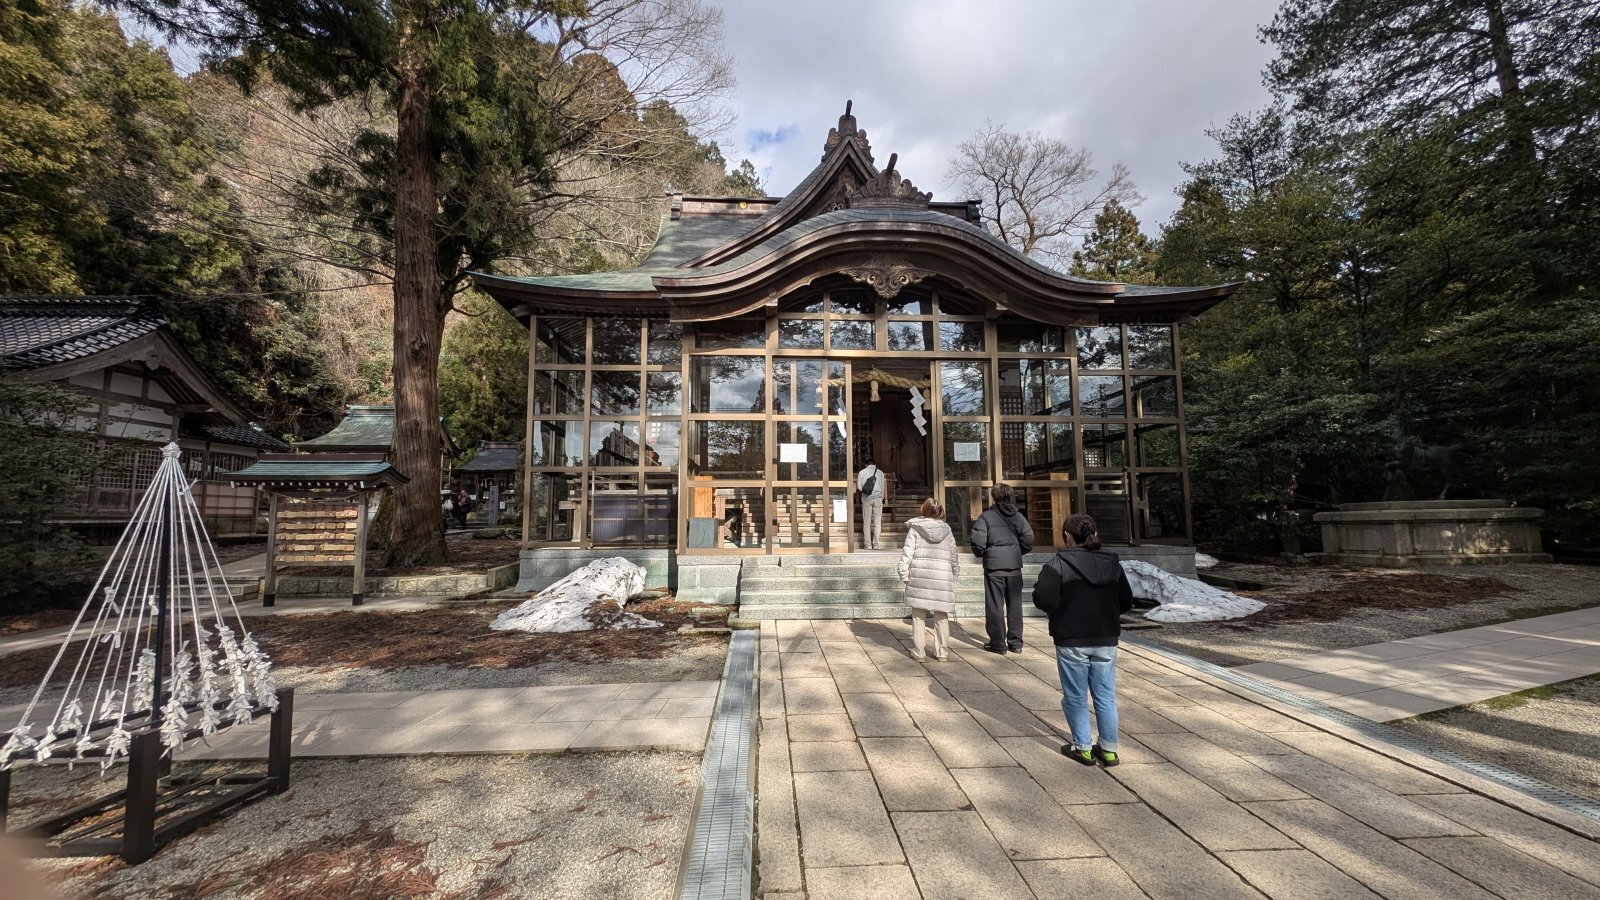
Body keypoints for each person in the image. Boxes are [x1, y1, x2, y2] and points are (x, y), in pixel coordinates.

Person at [1032, 513, 1134, 767]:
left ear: (1067, 536)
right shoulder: (1112, 564)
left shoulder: (1057, 565)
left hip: (1072, 637)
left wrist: (1061, 611)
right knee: (1105, 695)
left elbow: (1044, 599)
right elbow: (1126, 600)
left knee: (1076, 695)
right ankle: (1109, 749)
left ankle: (1082, 747)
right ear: (1094, 533)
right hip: (1105, 637)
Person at [969, 483, 1034, 653]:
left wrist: (984, 553)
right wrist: (1017, 552)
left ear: (994, 497)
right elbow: (1029, 539)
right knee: (1015, 604)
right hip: (1014, 566)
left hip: (994, 567)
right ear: (1010, 496)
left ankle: (998, 643)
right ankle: (1016, 643)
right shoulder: (1019, 517)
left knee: (995, 605)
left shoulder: (986, 517)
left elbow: (977, 542)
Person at [898, 498, 959, 661]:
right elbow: (953, 555)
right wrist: (955, 573)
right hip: (941, 578)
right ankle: (942, 652)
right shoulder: (947, 530)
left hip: (920, 578)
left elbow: (907, 554)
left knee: (918, 617)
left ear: (924, 510)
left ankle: (919, 652)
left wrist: (903, 574)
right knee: (941, 616)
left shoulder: (916, 529)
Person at [856, 456, 886, 550]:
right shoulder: (880, 472)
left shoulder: (862, 472)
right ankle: (876, 544)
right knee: (877, 522)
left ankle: (868, 545)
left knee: (867, 522)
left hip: (867, 499)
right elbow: (883, 486)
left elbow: (859, 487)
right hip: (878, 499)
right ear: (875, 465)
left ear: (866, 465)